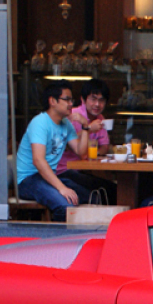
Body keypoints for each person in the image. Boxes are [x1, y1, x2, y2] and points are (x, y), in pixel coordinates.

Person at [15, 81, 96, 222]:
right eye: (67, 99)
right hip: (28, 180)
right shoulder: (40, 123)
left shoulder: (65, 124)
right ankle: (56, 239)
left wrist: (85, 127)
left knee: (92, 198)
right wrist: (61, 188)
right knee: (66, 206)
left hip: (48, 177)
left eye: (72, 100)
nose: (71, 104)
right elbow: (38, 161)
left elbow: (81, 152)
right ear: (52, 101)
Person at [61, 78, 116, 203]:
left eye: (101, 100)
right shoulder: (72, 116)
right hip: (64, 170)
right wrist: (89, 129)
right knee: (99, 195)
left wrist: (92, 154)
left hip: (83, 170)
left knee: (112, 190)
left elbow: (105, 146)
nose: (97, 104)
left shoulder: (100, 118)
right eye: (93, 99)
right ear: (83, 99)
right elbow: (66, 145)